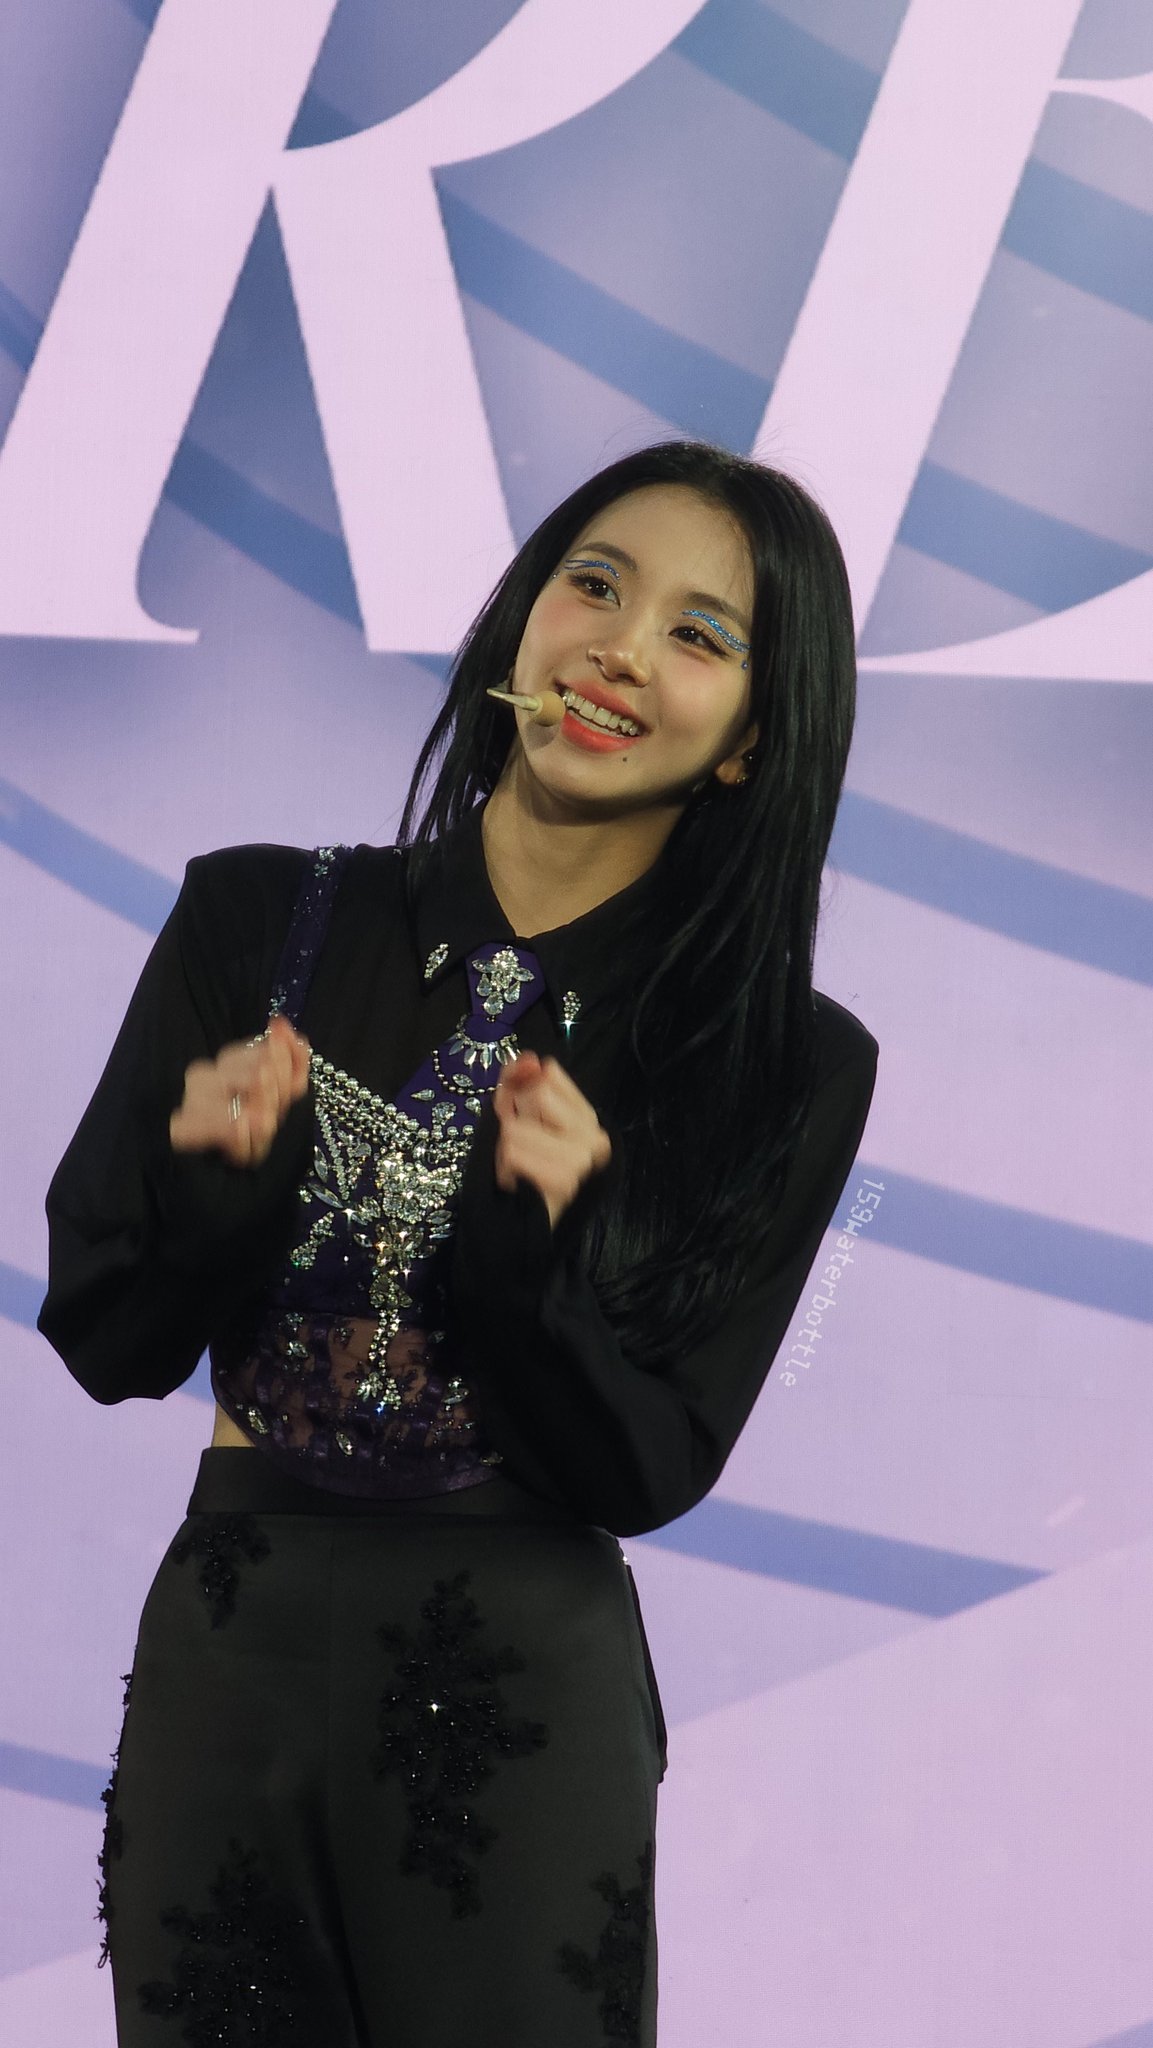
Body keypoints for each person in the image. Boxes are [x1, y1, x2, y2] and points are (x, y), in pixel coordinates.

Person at [39, 439, 878, 2048]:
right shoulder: (253, 918)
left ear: (751, 741)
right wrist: (219, 1186)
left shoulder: (783, 1063)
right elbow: (105, 1337)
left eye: (699, 636)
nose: (620, 649)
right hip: (232, 1652)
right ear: (518, 619)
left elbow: (648, 1465)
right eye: (593, 587)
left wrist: (522, 1258)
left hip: (514, 1691)